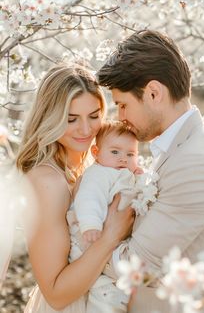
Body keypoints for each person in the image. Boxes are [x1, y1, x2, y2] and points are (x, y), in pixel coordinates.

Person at [97, 30, 204, 313]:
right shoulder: (181, 147)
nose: (120, 117)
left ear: (153, 93)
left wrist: (73, 245)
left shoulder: (197, 163)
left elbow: (137, 266)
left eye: (123, 105)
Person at [15, 64, 135, 313]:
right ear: (50, 118)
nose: (86, 129)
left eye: (94, 116)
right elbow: (56, 294)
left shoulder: (93, 165)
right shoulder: (47, 181)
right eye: (71, 119)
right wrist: (111, 234)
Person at [72, 120, 157, 313]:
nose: (123, 159)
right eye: (115, 152)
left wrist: (140, 177)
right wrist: (90, 224)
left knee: (119, 293)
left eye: (130, 154)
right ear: (96, 153)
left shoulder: (125, 173)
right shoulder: (99, 174)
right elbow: (89, 198)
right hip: (90, 241)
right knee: (103, 293)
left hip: (115, 245)